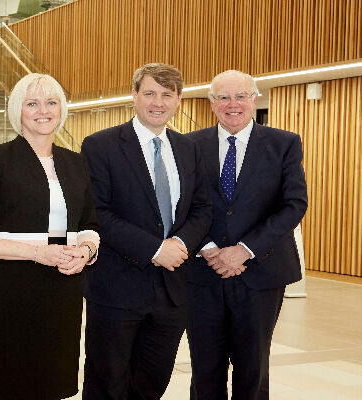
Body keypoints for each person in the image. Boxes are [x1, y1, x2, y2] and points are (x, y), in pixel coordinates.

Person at [0, 73, 99, 400]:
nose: (43, 111)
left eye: (51, 103)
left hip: (64, 288)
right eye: (32, 103)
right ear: (17, 110)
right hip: (12, 288)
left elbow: (90, 222)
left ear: (62, 110)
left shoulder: (76, 163)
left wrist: (87, 251)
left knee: (55, 382)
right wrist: (38, 253)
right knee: (15, 382)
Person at [80, 63, 212, 399]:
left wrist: (180, 243)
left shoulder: (189, 148)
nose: (158, 102)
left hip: (172, 291)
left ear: (179, 100)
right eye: (150, 93)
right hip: (116, 288)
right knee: (107, 382)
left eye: (167, 95)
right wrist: (154, 249)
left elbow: (201, 208)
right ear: (134, 96)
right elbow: (98, 212)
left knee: (152, 382)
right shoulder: (101, 145)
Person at [186, 70, 308, 399]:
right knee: (204, 367)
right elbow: (181, 206)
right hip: (202, 273)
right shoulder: (189, 145)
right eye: (223, 97)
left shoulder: (284, 144)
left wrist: (244, 249)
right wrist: (209, 248)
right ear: (212, 104)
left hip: (261, 273)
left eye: (241, 96)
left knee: (252, 367)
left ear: (254, 99)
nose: (233, 104)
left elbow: (294, 204)